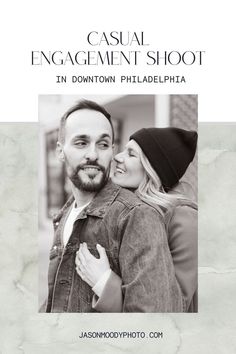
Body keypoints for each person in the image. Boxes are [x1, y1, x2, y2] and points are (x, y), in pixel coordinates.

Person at [44, 100, 183, 313]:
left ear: (111, 150)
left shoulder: (136, 216)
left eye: (102, 144)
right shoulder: (63, 216)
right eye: (81, 143)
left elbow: (155, 323)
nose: (93, 154)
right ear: (60, 151)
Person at [75, 127, 198, 312]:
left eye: (131, 154)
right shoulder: (126, 207)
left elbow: (172, 307)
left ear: (153, 169)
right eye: (124, 149)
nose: (118, 157)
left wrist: (103, 282)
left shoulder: (184, 220)